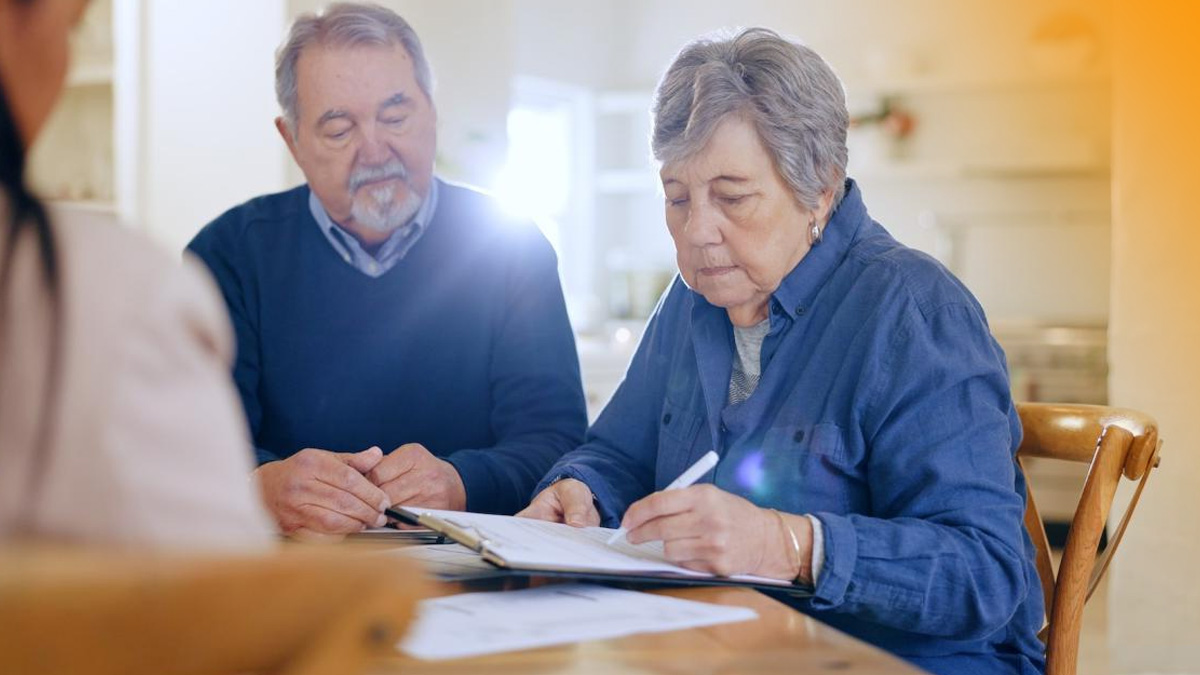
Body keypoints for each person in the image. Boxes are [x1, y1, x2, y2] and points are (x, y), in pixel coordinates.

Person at [520, 28, 1045, 675]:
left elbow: (987, 572)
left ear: (818, 190)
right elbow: (617, 453)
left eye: (732, 197)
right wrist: (580, 489)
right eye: (677, 197)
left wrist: (787, 544)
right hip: (723, 647)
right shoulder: (691, 300)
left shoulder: (913, 309)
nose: (696, 230)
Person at [187, 2, 586, 538]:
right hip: (285, 568)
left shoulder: (513, 248)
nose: (375, 151)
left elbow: (557, 443)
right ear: (292, 140)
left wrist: (462, 481)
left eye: (395, 118)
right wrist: (259, 486)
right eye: (339, 129)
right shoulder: (228, 256)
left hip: (476, 565)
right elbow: (186, 448)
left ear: (432, 112)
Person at [0, 0, 273, 547]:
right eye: (71, 27)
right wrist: (262, 479)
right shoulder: (123, 295)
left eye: (394, 116)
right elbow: (223, 582)